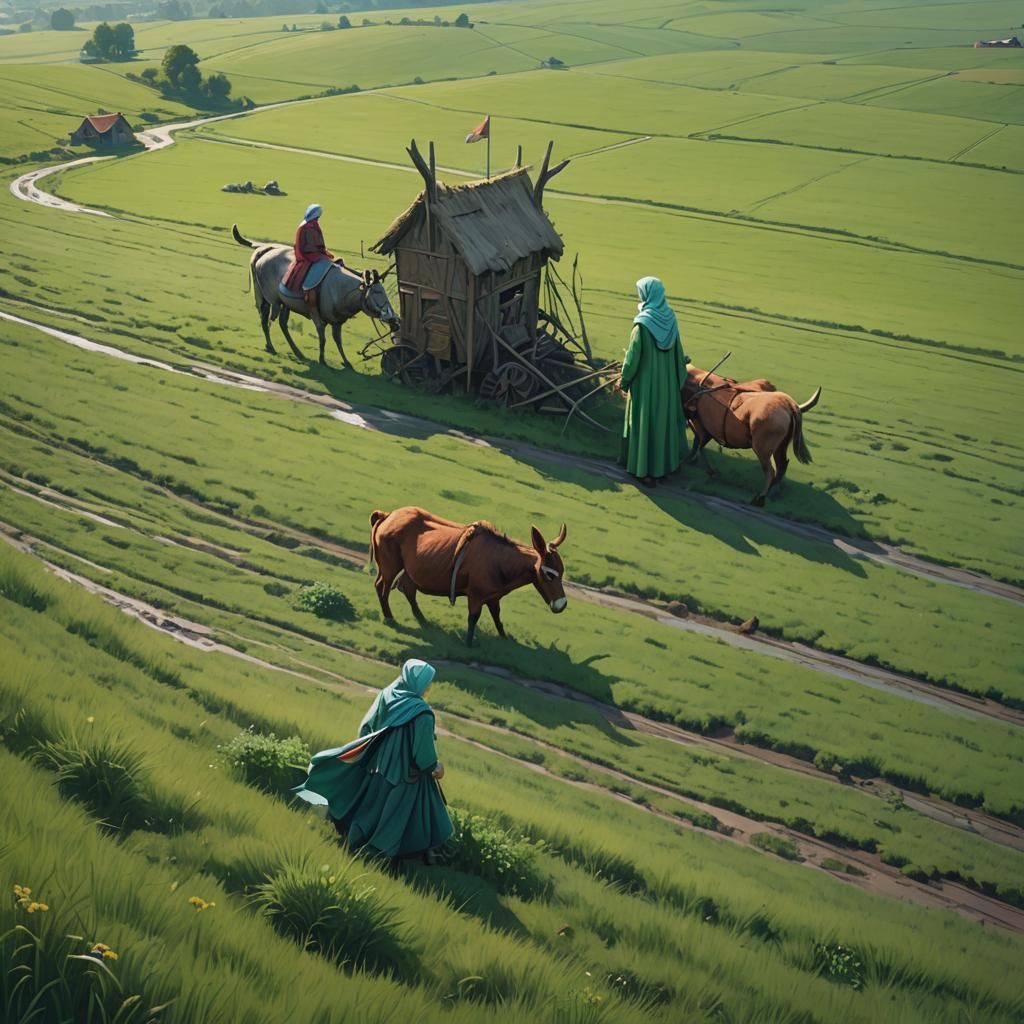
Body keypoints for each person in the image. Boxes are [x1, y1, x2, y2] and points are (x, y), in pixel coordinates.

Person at [293, 659, 453, 863]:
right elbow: (423, 755)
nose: (428, 689)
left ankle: (350, 845)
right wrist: (435, 767)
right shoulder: (422, 713)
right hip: (404, 776)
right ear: (419, 683)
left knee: (369, 808)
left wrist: (370, 754)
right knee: (392, 820)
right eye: (427, 684)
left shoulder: (388, 694)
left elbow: (366, 728)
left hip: (375, 767)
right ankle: (375, 859)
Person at [618, 276, 690, 487]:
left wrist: (624, 381)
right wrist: (676, 381)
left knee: (644, 423)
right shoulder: (671, 320)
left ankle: (644, 471)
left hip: (645, 386)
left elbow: (632, 359)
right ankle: (663, 468)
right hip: (667, 386)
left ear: (647, 295)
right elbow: (678, 354)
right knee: (662, 424)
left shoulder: (641, 325)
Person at [282, 203, 335, 311]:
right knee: (324, 260)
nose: (318, 218)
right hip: (307, 253)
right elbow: (307, 245)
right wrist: (320, 251)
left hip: (314, 251)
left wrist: (322, 250)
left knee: (333, 258)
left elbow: (318, 241)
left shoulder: (313, 224)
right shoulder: (306, 226)